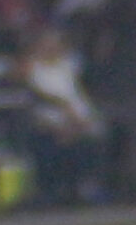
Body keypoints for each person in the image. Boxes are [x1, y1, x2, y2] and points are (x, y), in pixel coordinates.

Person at [19, 26, 107, 205]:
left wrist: (79, 123)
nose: (52, 49)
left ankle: (88, 188)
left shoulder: (69, 68)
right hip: (50, 125)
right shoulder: (33, 71)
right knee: (56, 145)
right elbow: (37, 104)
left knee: (95, 139)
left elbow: (79, 100)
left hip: (79, 124)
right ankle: (57, 192)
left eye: (55, 45)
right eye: (46, 46)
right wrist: (62, 125)